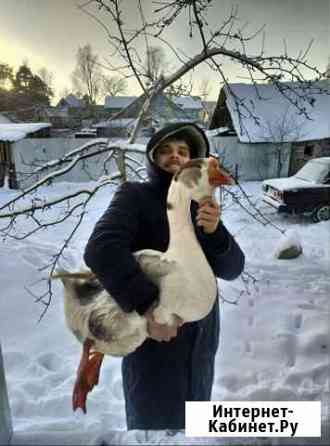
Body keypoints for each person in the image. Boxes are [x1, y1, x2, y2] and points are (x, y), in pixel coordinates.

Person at [84, 122, 245, 431]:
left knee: (193, 429)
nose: (175, 156)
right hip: (155, 342)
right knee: (155, 429)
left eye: (183, 151)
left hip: (200, 343)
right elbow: (101, 249)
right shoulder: (135, 196)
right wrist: (149, 306)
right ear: (153, 159)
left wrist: (215, 234)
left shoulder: (201, 205)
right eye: (166, 151)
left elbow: (233, 269)